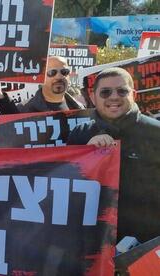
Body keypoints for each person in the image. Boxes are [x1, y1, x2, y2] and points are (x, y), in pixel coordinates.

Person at [68, 67, 160, 243]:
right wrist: (86, 156)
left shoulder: (155, 133)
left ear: (134, 94)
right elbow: (66, 189)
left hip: (145, 248)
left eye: (122, 91)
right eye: (105, 92)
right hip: (93, 243)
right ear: (93, 97)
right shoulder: (79, 134)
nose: (114, 97)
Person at [0, 56, 85, 114]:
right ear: (41, 77)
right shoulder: (24, 110)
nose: (58, 76)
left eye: (64, 72)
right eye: (52, 72)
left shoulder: (81, 110)